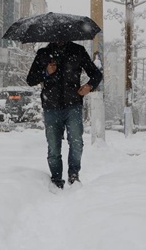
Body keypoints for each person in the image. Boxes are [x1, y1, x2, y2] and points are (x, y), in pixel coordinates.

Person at [26, 41, 103, 189]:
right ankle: (56, 180)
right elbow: (31, 79)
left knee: (76, 143)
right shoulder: (43, 54)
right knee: (53, 146)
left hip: (73, 105)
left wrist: (89, 86)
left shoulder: (77, 51)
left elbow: (96, 74)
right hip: (51, 107)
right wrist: (46, 72)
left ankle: (73, 175)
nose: (59, 38)